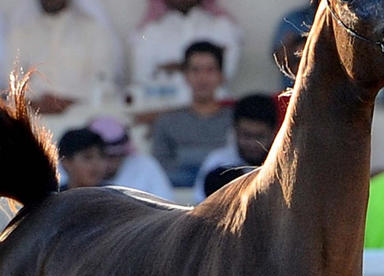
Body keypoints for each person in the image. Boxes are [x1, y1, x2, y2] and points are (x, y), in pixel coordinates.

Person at [8, 0, 121, 114]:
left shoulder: (93, 30)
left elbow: (105, 79)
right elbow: (11, 81)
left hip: (81, 114)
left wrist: (68, 100)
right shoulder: (22, 33)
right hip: (33, 116)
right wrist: (34, 102)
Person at [130, 0, 243, 105]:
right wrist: (200, 68)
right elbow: (142, 76)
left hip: (213, 107)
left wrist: (173, 68)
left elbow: (226, 71)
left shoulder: (222, 26)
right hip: (161, 109)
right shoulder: (150, 30)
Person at [149, 41, 234, 187]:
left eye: (210, 70)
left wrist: (185, 157)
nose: (202, 78)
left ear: (221, 76)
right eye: (195, 70)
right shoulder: (167, 122)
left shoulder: (234, 120)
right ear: (185, 75)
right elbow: (159, 169)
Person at [196, 93, 279, 202]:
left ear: (274, 133)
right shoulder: (217, 163)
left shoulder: (284, 166)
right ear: (235, 131)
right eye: (246, 135)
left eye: (260, 136)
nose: (252, 144)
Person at [87, 115, 173, 199]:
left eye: (114, 156)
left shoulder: (145, 166)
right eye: (101, 156)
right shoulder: (82, 175)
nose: (107, 163)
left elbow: (166, 205)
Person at [270, 0, 321, 89]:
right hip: (293, 98)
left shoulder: (348, 22)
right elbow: (280, 60)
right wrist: (292, 49)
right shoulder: (292, 19)